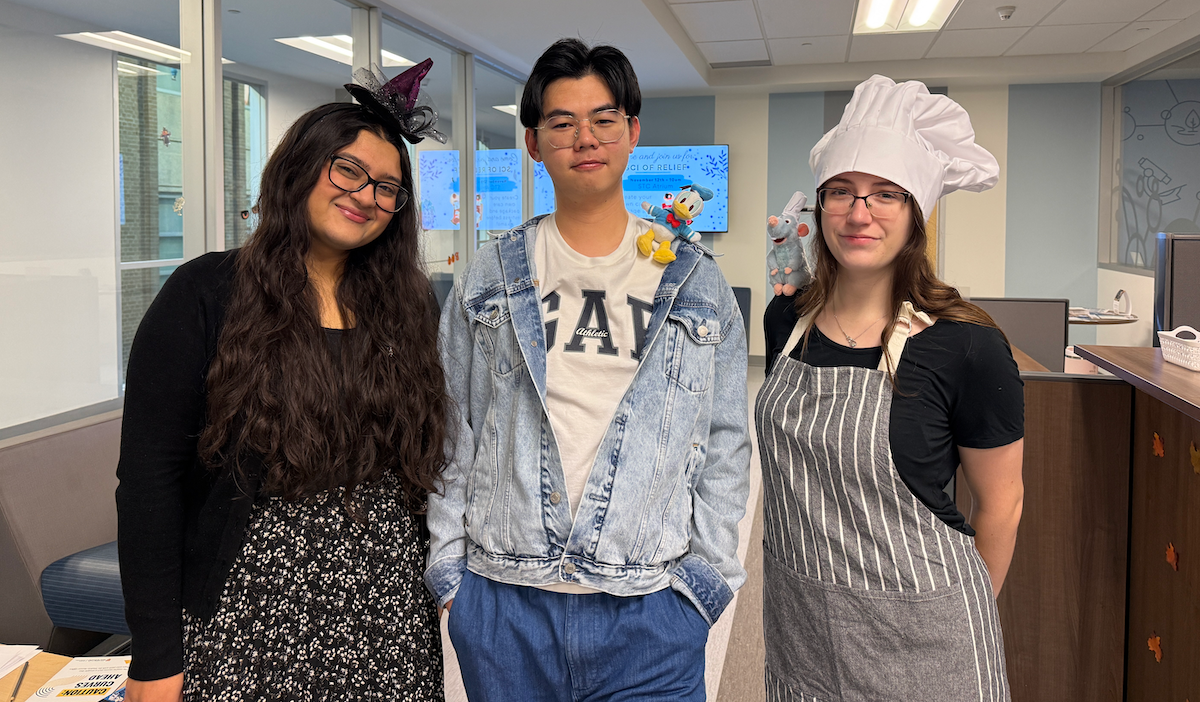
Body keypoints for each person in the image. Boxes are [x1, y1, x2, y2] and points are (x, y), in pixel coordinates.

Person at [426, 38, 751, 701]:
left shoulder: (694, 281)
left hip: (652, 610)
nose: (585, 138)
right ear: (533, 142)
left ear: (632, 133)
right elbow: (450, 428)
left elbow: (726, 444)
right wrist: (451, 572)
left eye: (603, 120)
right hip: (505, 604)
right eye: (562, 122)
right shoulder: (488, 275)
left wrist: (704, 587)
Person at [116, 60, 450, 702]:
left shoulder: (408, 310)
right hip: (250, 618)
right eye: (348, 169)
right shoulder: (205, 293)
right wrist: (154, 661)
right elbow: (148, 485)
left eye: (387, 187)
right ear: (301, 168)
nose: (366, 195)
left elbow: (423, 465)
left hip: (389, 616)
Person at [759, 74, 1024, 701]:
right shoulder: (785, 322)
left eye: (885, 195)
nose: (859, 213)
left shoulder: (967, 347)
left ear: (915, 214)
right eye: (842, 193)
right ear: (817, 209)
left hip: (927, 639)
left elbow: (1003, 504)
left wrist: (952, 621)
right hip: (803, 628)